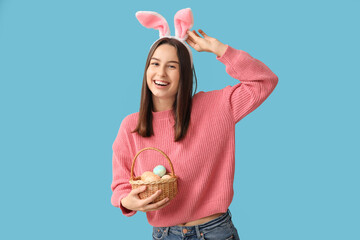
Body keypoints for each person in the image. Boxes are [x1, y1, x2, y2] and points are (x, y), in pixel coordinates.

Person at [111, 8, 278, 240]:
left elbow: (264, 81)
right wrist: (126, 201)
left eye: (172, 66)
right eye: (155, 64)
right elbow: (120, 184)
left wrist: (220, 50)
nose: (161, 73)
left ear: (185, 73)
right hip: (164, 234)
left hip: (215, 232)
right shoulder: (131, 126)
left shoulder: (217, 106)